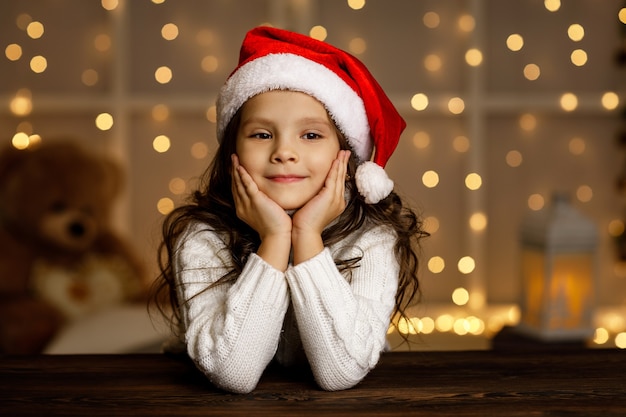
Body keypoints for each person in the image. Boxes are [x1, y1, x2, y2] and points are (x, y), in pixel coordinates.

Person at [152, 26, 427, 394]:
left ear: (347, 155)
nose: (284, 152)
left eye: (311, 135)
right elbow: (234, 372)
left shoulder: (371, 237)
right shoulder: (203, 236)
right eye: (262, 135)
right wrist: (275, 238)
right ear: (232, 151)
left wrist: (307, 237)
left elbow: (341, 372)